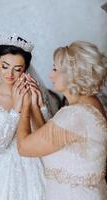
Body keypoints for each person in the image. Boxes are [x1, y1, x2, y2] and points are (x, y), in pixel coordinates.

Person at [16, 41, 107, 200]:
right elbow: (47, 144)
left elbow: (24, 147)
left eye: (55, 69)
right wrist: (35, 107)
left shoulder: (75, 116)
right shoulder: (90, 104)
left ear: (72, 74)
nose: (51, 75)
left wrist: (23, 108)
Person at [0, 34, 50, 200]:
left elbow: (46, 134)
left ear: (25, 69)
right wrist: (15, 110)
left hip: (36, 160)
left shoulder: (35, 93)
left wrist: (39, 106)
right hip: (3, 166)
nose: (10, 74)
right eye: (5, 66)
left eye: (17, 69)